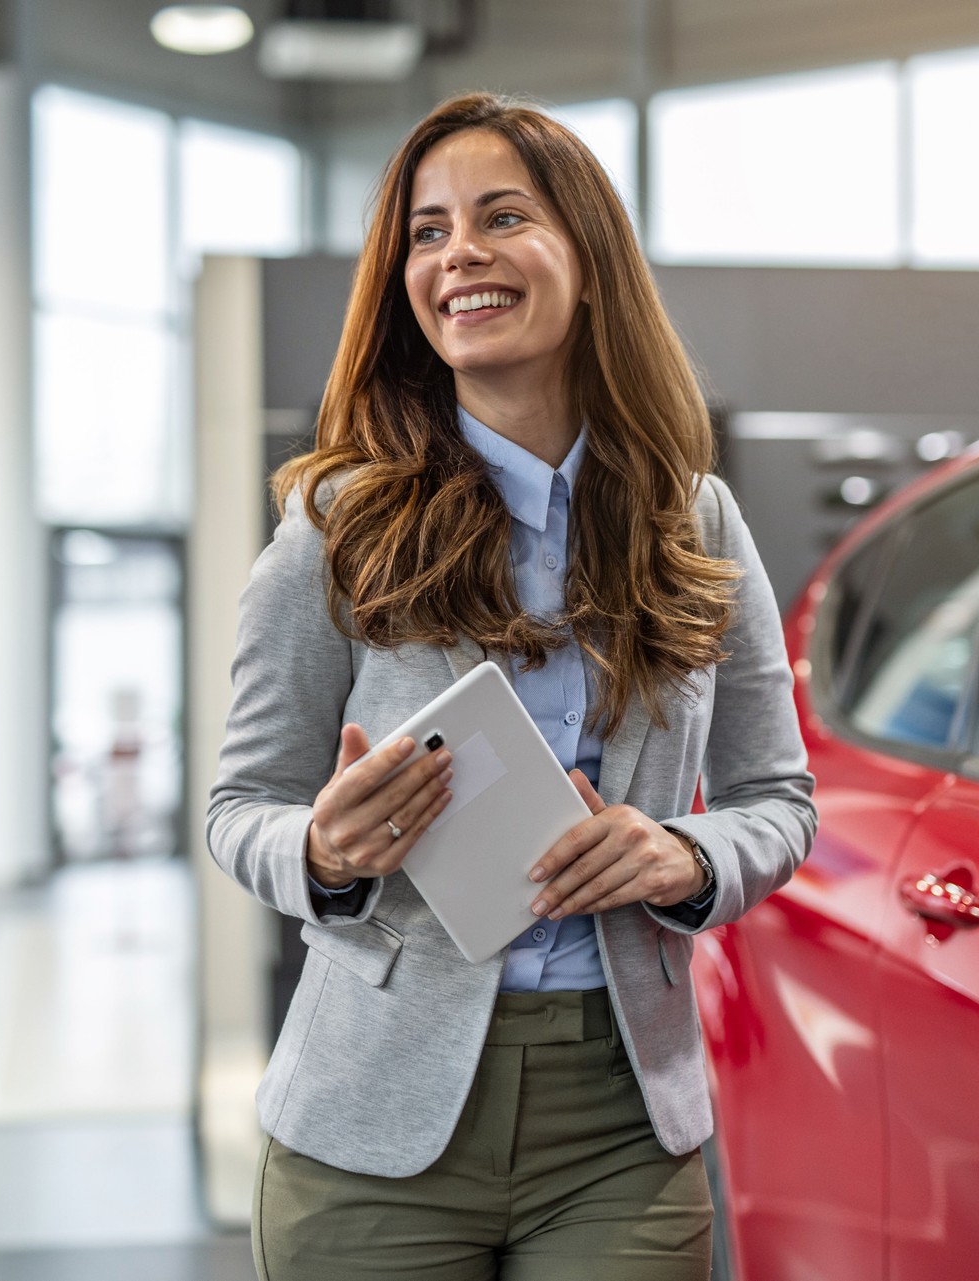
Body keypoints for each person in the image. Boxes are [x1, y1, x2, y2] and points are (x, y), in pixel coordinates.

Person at [208, 91, 817, 1280]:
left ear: (588, 259)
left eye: (501, 216)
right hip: (371, 1115)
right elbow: (241, 810)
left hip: (618, 1120)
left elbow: (779, 800)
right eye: (426, 234)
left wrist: (686, 860)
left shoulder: (693, 519)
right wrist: (324, 855)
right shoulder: (334, 526)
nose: (459, 256)